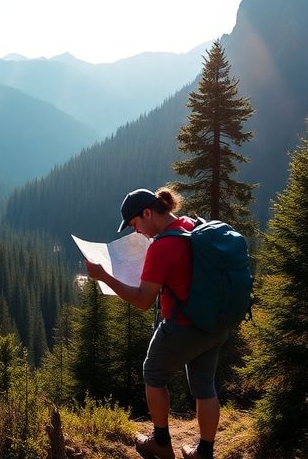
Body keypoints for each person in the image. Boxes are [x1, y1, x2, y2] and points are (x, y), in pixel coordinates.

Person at [84, 187, 228, 459]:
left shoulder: (162, 247)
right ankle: (204, 452)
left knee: (153, 373)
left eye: (135, 224)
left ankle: (161, 443)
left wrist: (104, 276)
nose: (136, 232)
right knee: (204, 384)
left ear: (147, 213)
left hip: (184, 324)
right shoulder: (189, 225)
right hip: (215, 321)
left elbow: (143, 300)